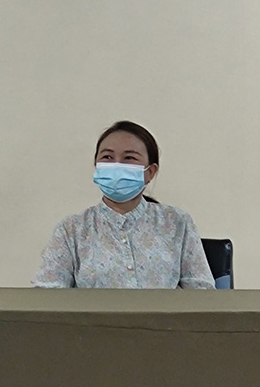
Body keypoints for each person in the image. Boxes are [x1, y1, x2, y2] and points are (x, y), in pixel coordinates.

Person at [32, 120, 215, 289]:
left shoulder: (176, 223)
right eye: (107, 157)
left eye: (129, 158)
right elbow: (47, 296)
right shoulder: (71, 230)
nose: (117, 165)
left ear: (150, 172)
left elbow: (202, 294)